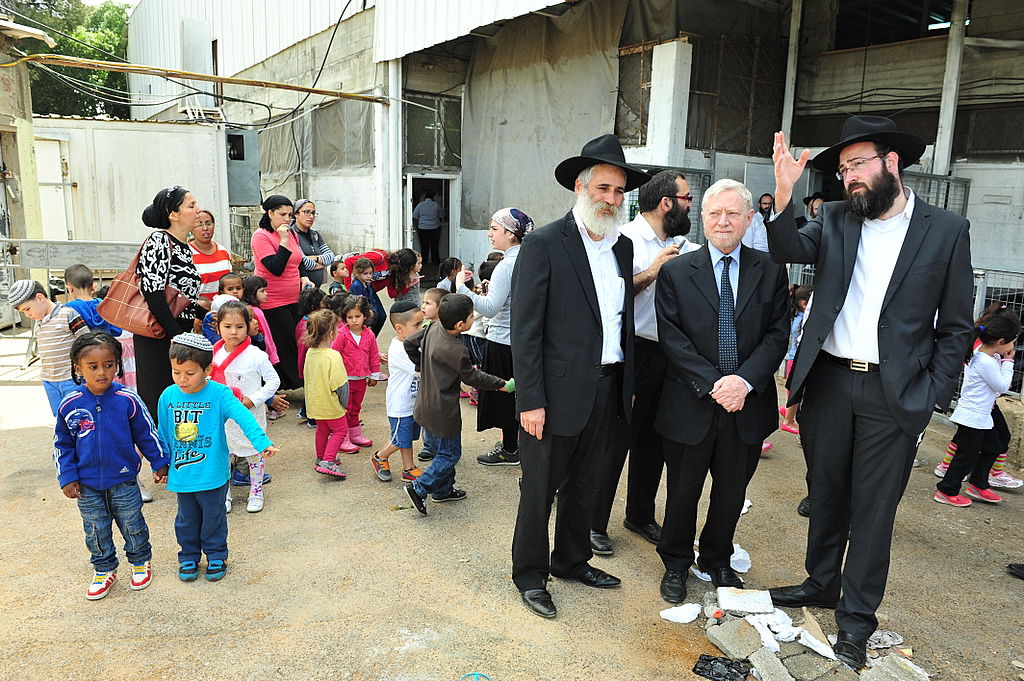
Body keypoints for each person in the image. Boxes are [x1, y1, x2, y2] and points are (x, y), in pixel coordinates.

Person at [765, 115, 974, 669]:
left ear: (891, 162)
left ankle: (855, 621)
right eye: (843, 169)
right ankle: (820, 584)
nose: (850, 176)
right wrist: (784, 194)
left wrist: (931, 394)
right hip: (830, 380)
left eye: (858, 163)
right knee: (826, 494)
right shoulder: (836, 218)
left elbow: (957, 325)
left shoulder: (945, 230)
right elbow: (786, 248)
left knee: (874, 513)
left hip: (894, 392)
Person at [510, 134, 646, 619]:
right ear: (580, 187)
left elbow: (621, 322)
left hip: (608, 388)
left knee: (586, 483)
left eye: (619, 191)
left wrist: (627, 386)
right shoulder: (545, 244)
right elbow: (526, 331)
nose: (611, 199)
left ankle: (571, 560)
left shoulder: (623, 247)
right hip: (553, 393)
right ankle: (531, 575)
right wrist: (530, 399)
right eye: (603, 188)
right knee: (539, 489)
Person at [653, 179, 789, 604]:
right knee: (682, 492)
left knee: (731, 493)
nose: (723, 221)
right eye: (715, 213)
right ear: (703, 218)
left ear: (749, 219)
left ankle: (717, 558)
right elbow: (672, 337)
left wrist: (743, 381)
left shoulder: (770, 270)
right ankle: (676, 561)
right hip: (691, 400)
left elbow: (777, 334)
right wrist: (715, 383)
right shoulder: (676, 272)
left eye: (732, 213)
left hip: (747, 403)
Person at [591, 169, 700, 557]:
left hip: (670, 355)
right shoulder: (624, 239)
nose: (691, 207)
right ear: (667, 203)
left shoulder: (684, 245)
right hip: (632, 352)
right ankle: (593, 522)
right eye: (687, 199)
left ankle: (639, 515)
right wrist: (653, 272)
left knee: (655, 441)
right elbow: (610, 296)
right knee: (616, 441)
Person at [54, 332, 169, 600]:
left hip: (124, 480)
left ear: (117, 365)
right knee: (95, 528)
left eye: (108, 365)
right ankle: (104, 569)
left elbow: (146, 433)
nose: (102, 372)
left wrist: (159, 461)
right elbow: (62, 444)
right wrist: (67, 476)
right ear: (78, 368)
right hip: (86, 485)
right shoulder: (70, 404)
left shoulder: (127, 399)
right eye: (93, 366)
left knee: (132, 523)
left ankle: (140, 562)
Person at [156, 333, 279, 583]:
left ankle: (216, 555)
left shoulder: (220, 394)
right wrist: (160, 463)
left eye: (190, 373)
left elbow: (244, 417)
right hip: (183, 474)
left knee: (214, 518)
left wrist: (262, 443)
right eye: (176, 372)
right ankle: (188, 556)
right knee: (185, 520)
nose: (182, 379)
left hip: (212, 473)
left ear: (207, 370)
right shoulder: (168, 396)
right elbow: (163, 432)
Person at [403, 294, 509, 515]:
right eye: (471, 316)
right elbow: (473, 378)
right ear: (460, 324)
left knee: (440, 450)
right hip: (443, 411)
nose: (473, 318)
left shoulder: (433, 328)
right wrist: (501, 384)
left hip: (425, 404)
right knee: (450, 454)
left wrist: (422, 365)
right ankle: (419, 488)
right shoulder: (457, 350)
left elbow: (409, 343)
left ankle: (443, 490)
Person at [453, 208, 535, 467]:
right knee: (522, 396)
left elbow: (489, 308)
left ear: (511, 234)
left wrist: (461, 288)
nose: (489, 234)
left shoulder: (506, 265)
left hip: (502, 340)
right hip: (524, 340)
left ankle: (510, 449)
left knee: (503, 398)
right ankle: (522, 447)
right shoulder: (532, 258)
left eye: (494, 229)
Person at [934, 302, 1024, 490]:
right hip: (975, 412)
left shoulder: (987, 353)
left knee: (992, 446)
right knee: (967, 454)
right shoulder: (985, 359)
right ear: (1000, 341)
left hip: (982, 411)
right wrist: (1008, 362)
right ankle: (948, 488)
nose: (1013, 347)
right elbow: (1001, 385)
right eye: (1012, 342)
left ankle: (978, 482)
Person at [134, 186, 204, 418]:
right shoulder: (159, 240)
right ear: (173, 214)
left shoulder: (184, 246)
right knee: (159, 403)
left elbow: (181, 298)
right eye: (191, 206)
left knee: (178, 403)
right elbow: (153, 292)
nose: (198, 210)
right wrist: (176, 335)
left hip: (176, 332)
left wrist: (206, 316)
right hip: (158, 333)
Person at [210, 300, 280, 514]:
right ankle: (225, 494)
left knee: (254, 453)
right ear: (218, 327)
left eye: (239, 326)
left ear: (248, 326)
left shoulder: (256, 355)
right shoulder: (214, 353)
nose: (233, 332)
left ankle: (256, 492)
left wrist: (254, 400)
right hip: (223, 417)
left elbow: (273, 381)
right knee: (223, 455)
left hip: (250, 414)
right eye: (227, 326)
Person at [8, 279, 90, 415]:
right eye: (23, 312)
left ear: (40, 298)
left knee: (77, 414)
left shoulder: (67, 314)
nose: (27, 315)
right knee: (59, 416)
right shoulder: (38, 323)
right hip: (49, 380)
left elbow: (87, 341)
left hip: (71, 379)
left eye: (27, 309)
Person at [250, 195, 305, 391]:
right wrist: (283, 240)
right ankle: (280, 387)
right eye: (282, 214)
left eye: (290, 215)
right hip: (272, 301)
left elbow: (297, 261)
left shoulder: (292, 234)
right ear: (270, 213)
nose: (287, 219)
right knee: (283, 345)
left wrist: (304, 277)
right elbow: (276, 268)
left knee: (297, 341)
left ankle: (295, 382)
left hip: (294, 298)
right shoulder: (261, 236)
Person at [372, 301, 425, 483]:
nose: (421, 328)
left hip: (412, 402)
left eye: (422, 324)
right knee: (400, 440)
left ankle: (408, 468)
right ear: (399, 328)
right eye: (416, 325)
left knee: (407, 438)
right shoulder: (399, 349)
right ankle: (380, 456)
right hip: (400, 405)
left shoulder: (413, 343)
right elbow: (421, 370)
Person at [63, 264, 136, 392]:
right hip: (106, 355)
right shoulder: (103, 305)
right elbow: (117, 330)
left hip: (86, 360)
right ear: (93, 286)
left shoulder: (69, 309)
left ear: (69, 288)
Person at [330, 294, 384, 451]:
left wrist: (374, 374)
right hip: (344, 379)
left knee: (356, 407)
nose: (354, 320)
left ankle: (355, 434)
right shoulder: (341, 334)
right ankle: (342, 437)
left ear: (365, 316)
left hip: (361, 379)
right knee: (344, 408)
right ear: (344, 318)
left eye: (357, 316)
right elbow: (333, 354)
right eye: (350, 317)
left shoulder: (369, 335)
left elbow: (373, 355)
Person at [303, 309, 350, 479]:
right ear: (331, 334)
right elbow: (340, 384)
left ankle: (321, 457)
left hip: (315, 402)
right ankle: (328, 461)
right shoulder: (333, 355)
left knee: (322, 430)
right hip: (331, 404)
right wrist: (344, 403)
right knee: (340, 430)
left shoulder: (310, 352)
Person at [295, 286, 326, 429]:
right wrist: (303, 371)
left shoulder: (305, 322)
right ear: (315, 307)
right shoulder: (307, 327)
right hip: (310, 367)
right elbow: (303, 351)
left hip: (310, 366)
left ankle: (304, 411)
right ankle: (312, 419)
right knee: (315, 392)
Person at [189, 210, 233, 303]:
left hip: (224, 307)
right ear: (191, 228)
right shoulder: (186, 253)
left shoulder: (223, 251)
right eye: (199, 224)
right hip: (199, 308)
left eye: (208, 223)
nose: (205, 228)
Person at [292, 199, 336, 289]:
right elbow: (303, 262)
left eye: (313, 213)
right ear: (296, 214)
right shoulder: (291, 234)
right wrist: (323, 264)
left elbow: (331, 257)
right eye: (306, 212)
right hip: (300, 289)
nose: (311, 216)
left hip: (316, 289)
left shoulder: (315, 235)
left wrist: (315, 258)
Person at [349, 258, 387, 337]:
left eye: (370, 273)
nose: (369, 276)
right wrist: (369, 316)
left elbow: (372, 300)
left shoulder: (367, 284)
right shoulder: (357, 285)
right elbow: (360, 304)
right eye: (365, 273)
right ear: (357, 273)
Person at [201, 274, 244, 343]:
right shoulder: (218, 305)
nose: (235, 291)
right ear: (222, 291)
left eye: (238, 288)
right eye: (230, 289)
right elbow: (210, 336)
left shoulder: (245, 308)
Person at [413, 194, 442, 265]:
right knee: (434, 246)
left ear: (424, 198)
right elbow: (441, 215)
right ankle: (436, 262)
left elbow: (415, 216)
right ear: (432, 198)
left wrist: (418, 225)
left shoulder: (420, 205)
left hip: (423, 228)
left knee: (424, 246)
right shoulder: (436, 204)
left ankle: (424, 262)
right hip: (435, 228)